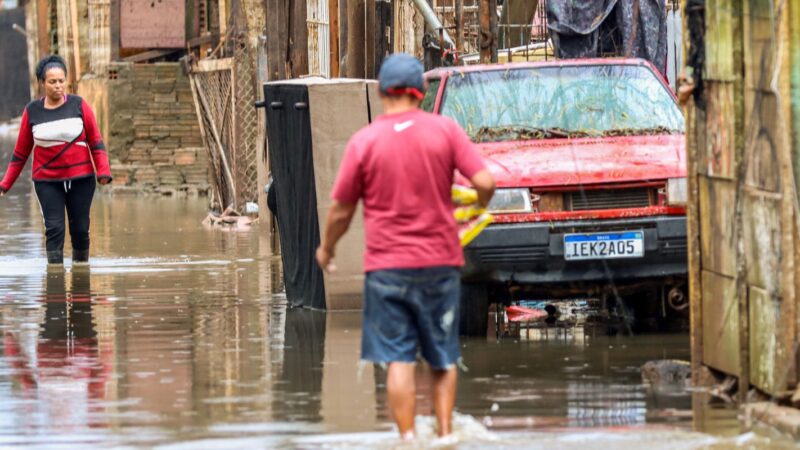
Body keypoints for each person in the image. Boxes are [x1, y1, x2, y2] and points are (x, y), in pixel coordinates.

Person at [316, 53, 496, 439]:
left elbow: (340, 211)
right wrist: (475, 209)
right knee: (442, 358)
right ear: (421, 91)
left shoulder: (364, 141)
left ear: (382, 92)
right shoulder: (445, 131)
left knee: (398, 359)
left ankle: (407, 440)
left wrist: (326, 250)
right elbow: (485, 183)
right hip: (440, 265)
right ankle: (446, 437)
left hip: (386, 269)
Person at [0, 55, 112, 265]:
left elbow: (96, 142)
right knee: (54, 229)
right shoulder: (32, 111)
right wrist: (5, 184)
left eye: (62, 81)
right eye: (52, 82)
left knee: (80, 228)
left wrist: (103, 171)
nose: (58, 86)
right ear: (42, 83)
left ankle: (81, 278)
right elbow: (20, 154)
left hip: (81, 179)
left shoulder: (79, 105)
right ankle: (55, 283)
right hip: (47, 181)